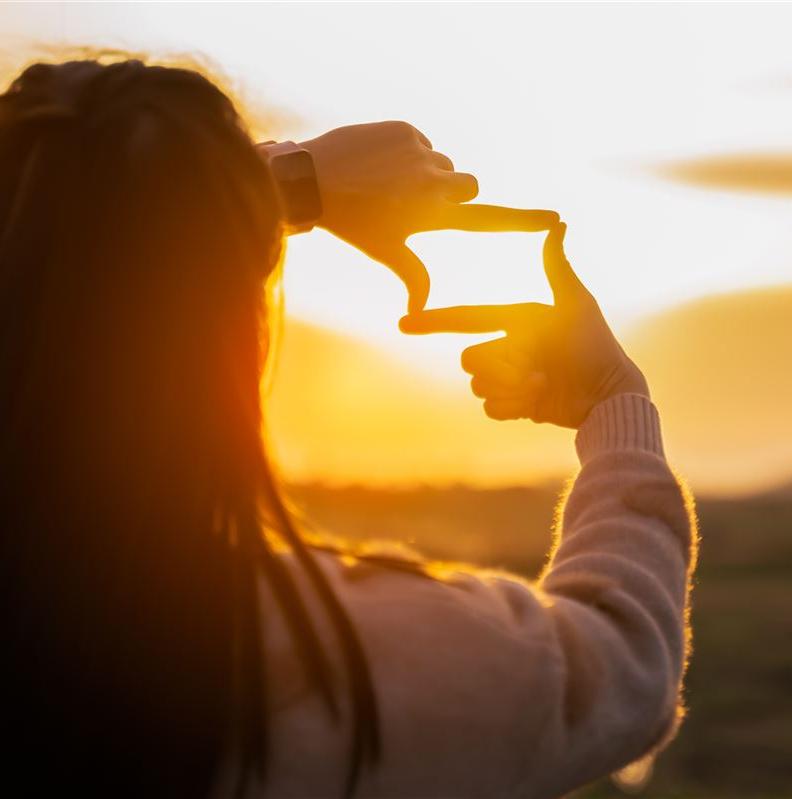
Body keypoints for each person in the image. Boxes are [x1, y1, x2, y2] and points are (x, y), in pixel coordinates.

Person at [0, 57, 696, 798]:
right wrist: (614, 404)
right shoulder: (343, 658)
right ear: (233, 333)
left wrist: (281, 189)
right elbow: (621, 665)